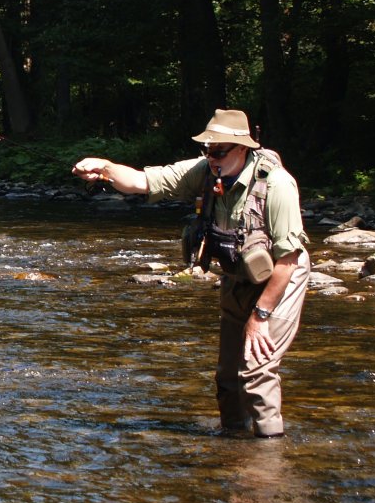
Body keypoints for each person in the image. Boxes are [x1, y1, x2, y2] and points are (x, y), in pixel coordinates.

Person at [72, 109, 311, 438]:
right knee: (228, 376)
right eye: (207, 150)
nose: (211, 157)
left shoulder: (277, 185)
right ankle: (233, 442)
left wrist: (260, 315)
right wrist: (104, 169)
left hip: (281, 281)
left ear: (243, 149)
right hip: (239, 275)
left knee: (256, 369)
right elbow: (143, 181)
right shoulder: (207, 171)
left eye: (219, 151)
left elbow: (288, 260)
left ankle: (269, 455)